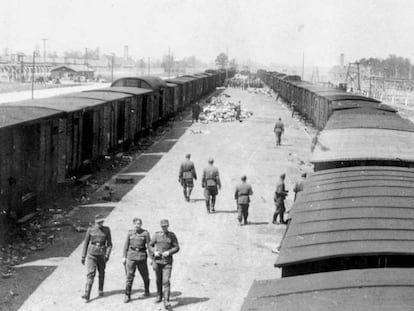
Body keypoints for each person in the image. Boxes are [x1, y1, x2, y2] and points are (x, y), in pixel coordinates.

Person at [81, 214, 112, 302]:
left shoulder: (106, 230)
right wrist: (83, 256)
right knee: (91, 273)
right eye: (99, 222)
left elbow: (109, 244)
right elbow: (86, 243)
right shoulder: (90, 230)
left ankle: (100, 289)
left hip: (102, 254)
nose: (100, 224)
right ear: (95, 222)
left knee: (101, 272)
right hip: (92, 254)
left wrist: (107, 255)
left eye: (102, 222)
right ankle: (87, 294)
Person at [149, 219, 180, 310]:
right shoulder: (156, 235)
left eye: (166, 226)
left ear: (168, 226)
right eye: (163, 226)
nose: (164, 227)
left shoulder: (172, 235)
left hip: (167, 262)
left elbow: (177, 247)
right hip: (157, 261)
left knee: (166, 281)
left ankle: (166, 301)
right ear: (160, 226)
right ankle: (159, 295)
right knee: (158, 279)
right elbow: (150, 245)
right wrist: (154, 252)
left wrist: (169, 252)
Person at [122, 218, 151, 303]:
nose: (137, 225)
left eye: (139, 224)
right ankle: (127, 295)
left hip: (142, 257)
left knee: (145, 275)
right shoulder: (130, 233)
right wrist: (124, 257)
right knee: (129, 276)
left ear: (141, 224)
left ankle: (147, 290)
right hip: (131, 257)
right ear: (133, 224)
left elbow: (149, 246)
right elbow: (126, 246)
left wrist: (150, 257)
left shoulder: (145, 233)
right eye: (136, 224)